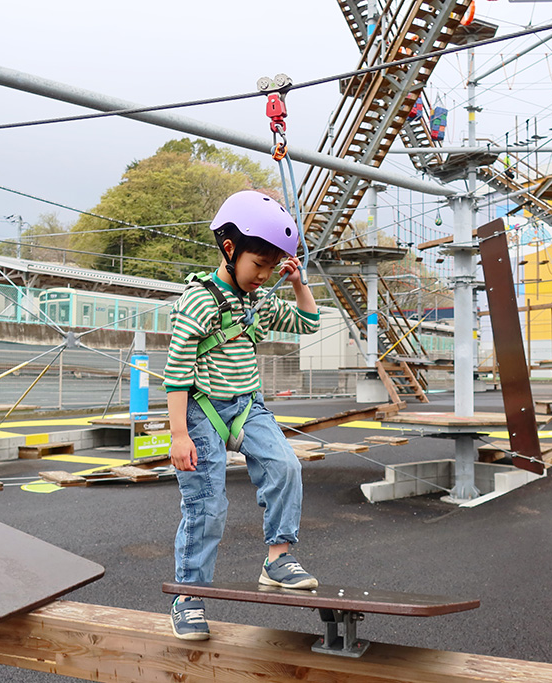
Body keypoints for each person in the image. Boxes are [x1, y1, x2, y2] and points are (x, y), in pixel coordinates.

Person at [162, 190, 321, 641]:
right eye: (259, 265)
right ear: (230, 249)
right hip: (202, 411)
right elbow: (176, 374)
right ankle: (188, 596)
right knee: (207, 505)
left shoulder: (260, 300)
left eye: (272, 267)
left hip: (248, 406)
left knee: (285, 465)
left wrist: (295, 282)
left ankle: (277, 559)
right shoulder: (199, 300)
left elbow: (308, 324)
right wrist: (178, 435)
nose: (264, 275)